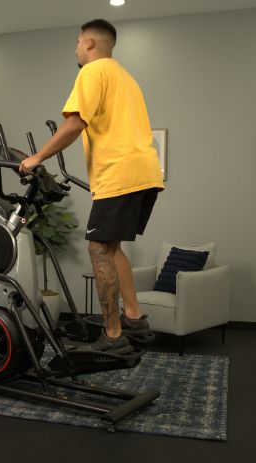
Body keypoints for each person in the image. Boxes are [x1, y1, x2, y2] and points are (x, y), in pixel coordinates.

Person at [19, 19, 164, 354]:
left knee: (98, 248)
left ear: (89, 44)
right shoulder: (127, 78)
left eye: (76, 43)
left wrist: (36, 157)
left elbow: (75, 124)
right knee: (111, 248)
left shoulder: (91, 72)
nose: (75, 49)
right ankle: (135, 319)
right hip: (144, 173)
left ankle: (112, 337)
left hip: (119, 173)